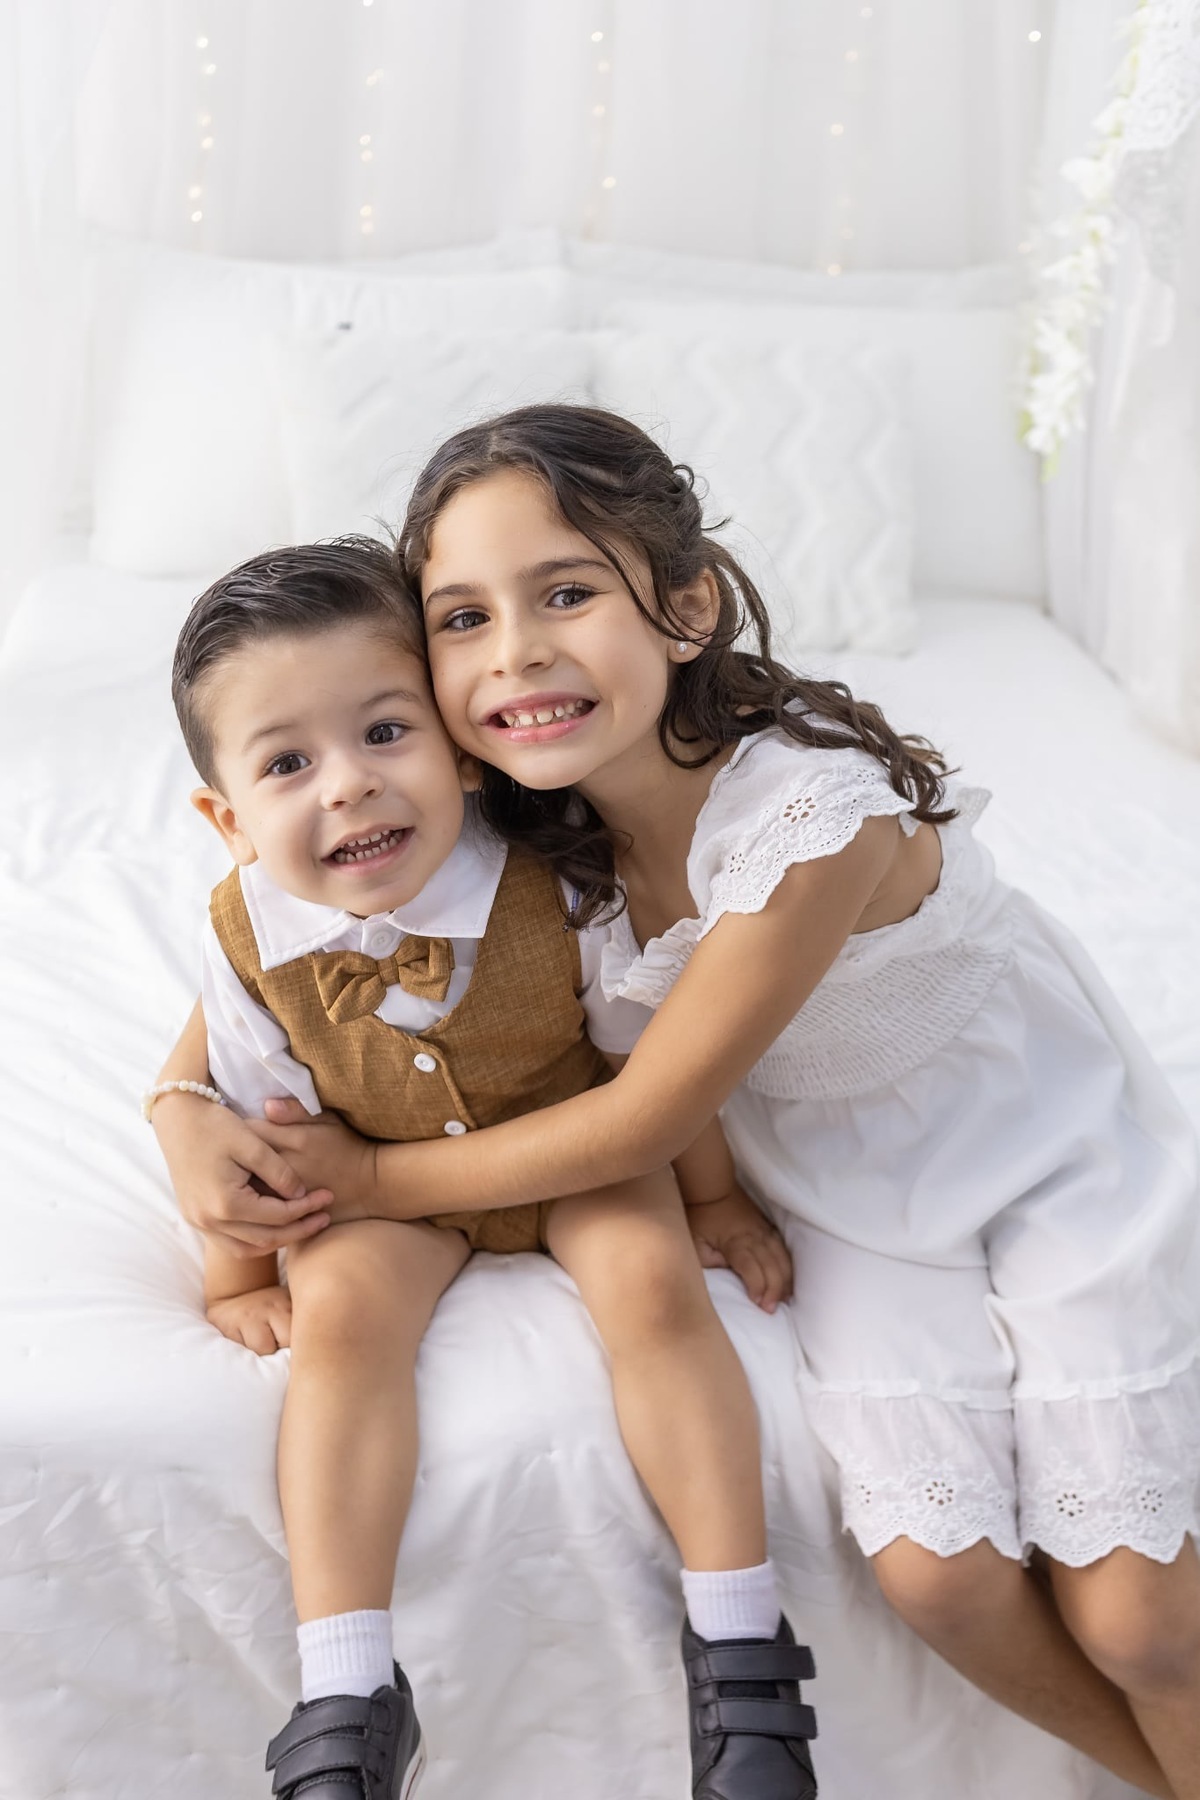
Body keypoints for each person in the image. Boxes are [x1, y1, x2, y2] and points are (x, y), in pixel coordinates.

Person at [209, 405, 1200, 1799]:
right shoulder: (507, 815)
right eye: (463, 619)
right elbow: (270, 941)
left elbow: (639, 1124)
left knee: (1141, 1617)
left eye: (565, 593)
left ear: (685, 607)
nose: (518, 655)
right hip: (841, 1194)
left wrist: (364, 1188)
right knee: (940, 1579)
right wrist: (181, 1109)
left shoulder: (812, 816)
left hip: (1034, 1157)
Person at [153, 538, 819, 1800]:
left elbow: (652, 1068)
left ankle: (742, 1654)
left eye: (384, 733)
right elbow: (242, 1120)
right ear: (228, 819)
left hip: (574, 1141)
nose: (347, 788)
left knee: (652, 1285)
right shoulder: (242, 939)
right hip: (382, 1175)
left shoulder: (560, 887)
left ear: (460, 747)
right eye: (288, 764)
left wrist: (718, 1197)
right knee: (343, 1322)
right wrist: (235, 1271)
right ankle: (345, 1686)